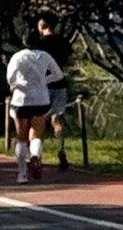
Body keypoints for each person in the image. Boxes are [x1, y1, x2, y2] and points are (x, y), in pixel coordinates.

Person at [4, 31, 64, 185]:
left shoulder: (18, 56)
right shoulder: (45, 56)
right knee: (36, 134)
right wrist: (44, 80)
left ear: (24, 41)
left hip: (21, 100)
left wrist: (17, 84)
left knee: (21, 137)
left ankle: (22, 174)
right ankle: (35, 156)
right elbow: (58, 75)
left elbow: (10, 78)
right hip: (41, 99)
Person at [33, 16, 73, 170]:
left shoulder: (40, 44)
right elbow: (69, 60)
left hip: (44, 85)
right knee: (57, 119)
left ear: (41, 26)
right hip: (60, 83)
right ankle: (61, 150)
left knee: (39, 121)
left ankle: (37, 155)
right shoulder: (63, 41)